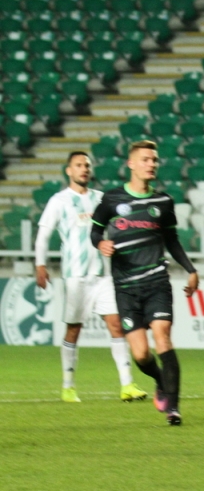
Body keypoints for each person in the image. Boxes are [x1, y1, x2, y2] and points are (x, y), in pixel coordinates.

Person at [89, 140, 199, 426]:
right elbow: (95, 232)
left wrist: (190, 269)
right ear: (131, 164)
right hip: (125, 288)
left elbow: (172, 240)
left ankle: (173, 408)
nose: (151, 164)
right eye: (146, 159)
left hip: (156, 281)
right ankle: (161, 380)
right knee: (140, 354)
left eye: (154, 160)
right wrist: (101, 243)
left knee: (163, 336)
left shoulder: (163, 202)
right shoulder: (112, 199)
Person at [36, 151, 145, 404]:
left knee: (116, 324)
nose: (84, 169)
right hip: (75, 276)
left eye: (86, 165)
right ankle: (68, 386)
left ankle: (127, 384)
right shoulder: (59, 201)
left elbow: (120, 226)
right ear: (69, 171)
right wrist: (40, 265)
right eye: (78, 165)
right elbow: (43, 235)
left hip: (103, 274)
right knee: (74, 329)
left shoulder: (101, 198)